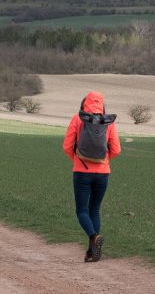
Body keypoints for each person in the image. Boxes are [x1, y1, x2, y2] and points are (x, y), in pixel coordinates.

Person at [62, 90, 121, 263]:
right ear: (102, 105)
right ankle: (91, 252)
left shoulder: (77, 119)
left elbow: (67, 146)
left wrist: (78, 160)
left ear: (84, 103)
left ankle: (94, 236)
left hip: (82, 172)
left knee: (81, 211)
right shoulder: (108, 122)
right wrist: (103, 161)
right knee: (94, 209)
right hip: (103, 174)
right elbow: (116, 149)